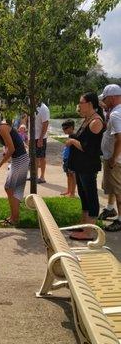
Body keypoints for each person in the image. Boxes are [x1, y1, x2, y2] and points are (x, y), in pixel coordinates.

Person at [67, 92, 105, 240]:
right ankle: (84, 223)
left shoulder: (96, 121)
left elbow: (89, 148)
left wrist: (72, 142)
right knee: (83, 195)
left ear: (89, 104)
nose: (79, 105)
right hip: (80, 165)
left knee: (91, 196)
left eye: (81, 102)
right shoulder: (87, 119)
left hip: (88, 166)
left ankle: (89, 232)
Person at [98, 84, 121, 231]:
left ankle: (120, 219)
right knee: (112, 187)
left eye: (105, 99)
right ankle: (110, 208)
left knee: (118, 190)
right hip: (114, 158)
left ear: (112, 98)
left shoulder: (116, 114)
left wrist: (113, 158)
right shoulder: (115, 112)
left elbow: (120, 138)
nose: (104, 102)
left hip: (116, 160)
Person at [35, 102, 50, 183]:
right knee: (34, 157)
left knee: (41, 157)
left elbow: (46, 123)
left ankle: (42, 177)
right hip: (33, 136)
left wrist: (41, 138)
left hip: (40, 137)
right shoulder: (32, 107)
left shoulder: (43, 108)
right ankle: (34, 176)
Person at [60, 120, 76, 197]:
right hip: (66, 159)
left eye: (66, 128)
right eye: (63, 129)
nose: (64, 130)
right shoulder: (70, 136)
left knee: (72, 175)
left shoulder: (74, 136)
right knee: (68, 175)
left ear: (72, 128)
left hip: (71, 159)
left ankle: (72, 193)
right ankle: (68, 190)